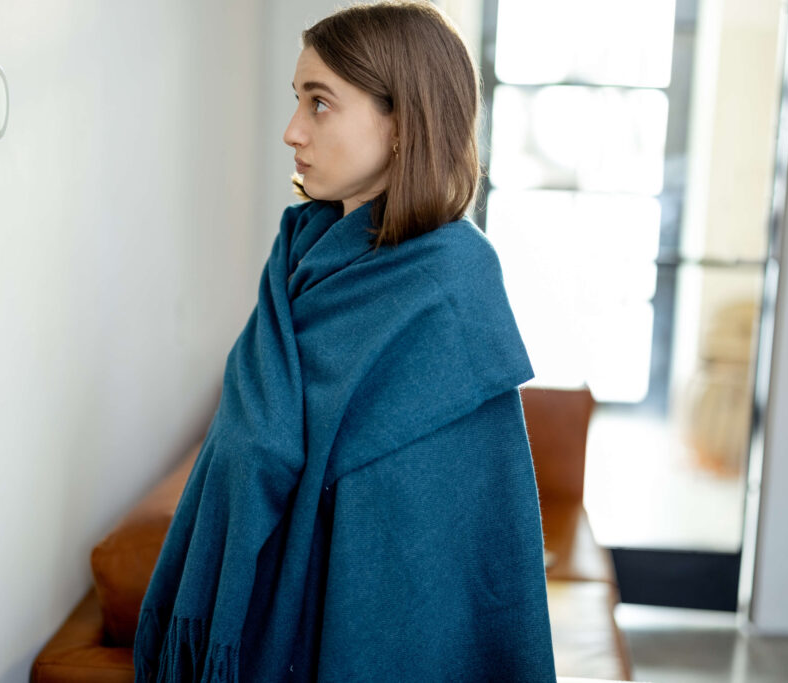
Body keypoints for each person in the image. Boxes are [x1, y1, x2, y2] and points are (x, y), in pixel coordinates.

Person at [133, 2, 556, 681]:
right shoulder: (299, 258)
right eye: (297, 100)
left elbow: (439, 533)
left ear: (401, 122)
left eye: (320, 103)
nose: (291, 130)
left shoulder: (450, 289)